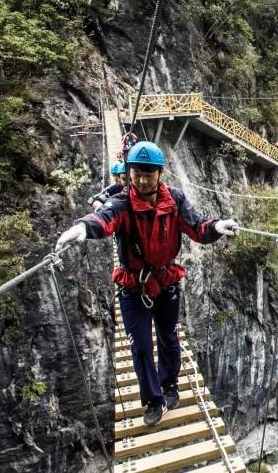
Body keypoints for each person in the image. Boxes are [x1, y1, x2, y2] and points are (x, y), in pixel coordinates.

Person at [55, 141, 239, 426]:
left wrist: (216, 227)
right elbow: (104, 218)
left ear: (159, 173)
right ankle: (154, 399)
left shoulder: (174, 200)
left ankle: (170, 386)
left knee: (169, 337)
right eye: (137, 174)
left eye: (148, 174)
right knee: (140, 346)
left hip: (166, 281)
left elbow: (197, 227)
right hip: (133, 286)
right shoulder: (123, 202)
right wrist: (83, 227)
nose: (142, 180)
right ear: (129, 173)